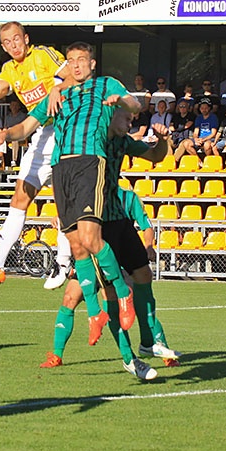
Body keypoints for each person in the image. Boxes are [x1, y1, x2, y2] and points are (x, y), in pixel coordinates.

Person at [0, 41, 141, 343]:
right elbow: (28, 126)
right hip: (61, 169)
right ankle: (96, 311)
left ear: (92, 64)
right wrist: (6, 133)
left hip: (89, 162)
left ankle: (123, 294)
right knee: (76, 245)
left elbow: (136, 105)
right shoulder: (56, 96)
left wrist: (123, 102)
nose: (76, 65)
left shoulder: (105, 85)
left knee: (90, 238)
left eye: (81, 60)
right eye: (71, 61)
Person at [40, 110, 179, 380]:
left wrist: (162, 141)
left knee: (142, 276)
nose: (131, 124)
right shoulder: (86, 141)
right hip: (95, 224)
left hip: (118, 221)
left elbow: (155, 155)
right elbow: (60, 172)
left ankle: (148, 341)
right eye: (127, 119)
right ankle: (127, 358)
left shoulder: (123, 142)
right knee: (85, 296)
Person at [0, 21, 74, 290]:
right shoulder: (10, 70)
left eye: (17, 39)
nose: (13, 45)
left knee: (63, 203)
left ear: (26, 37)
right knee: (19, 197)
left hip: (66, 128)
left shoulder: (43, 54)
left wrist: (57, 87)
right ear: (3, 46)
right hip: (41, 133)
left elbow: (71, 74)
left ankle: (63, 263)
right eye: (7, 42)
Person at [173, 97, 217, 163]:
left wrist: (203, 140)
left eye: (206, 108)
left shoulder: (213, 117)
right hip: (200, 139)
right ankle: (199, 161)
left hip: (209, 139)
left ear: (209, 108)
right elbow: (196, 131)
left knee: (207, 145)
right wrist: (196, 139)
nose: (204, 110)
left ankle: (209, 162)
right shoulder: (199, 117)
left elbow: (213, 133)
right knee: (186, 143)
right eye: (202, 108)